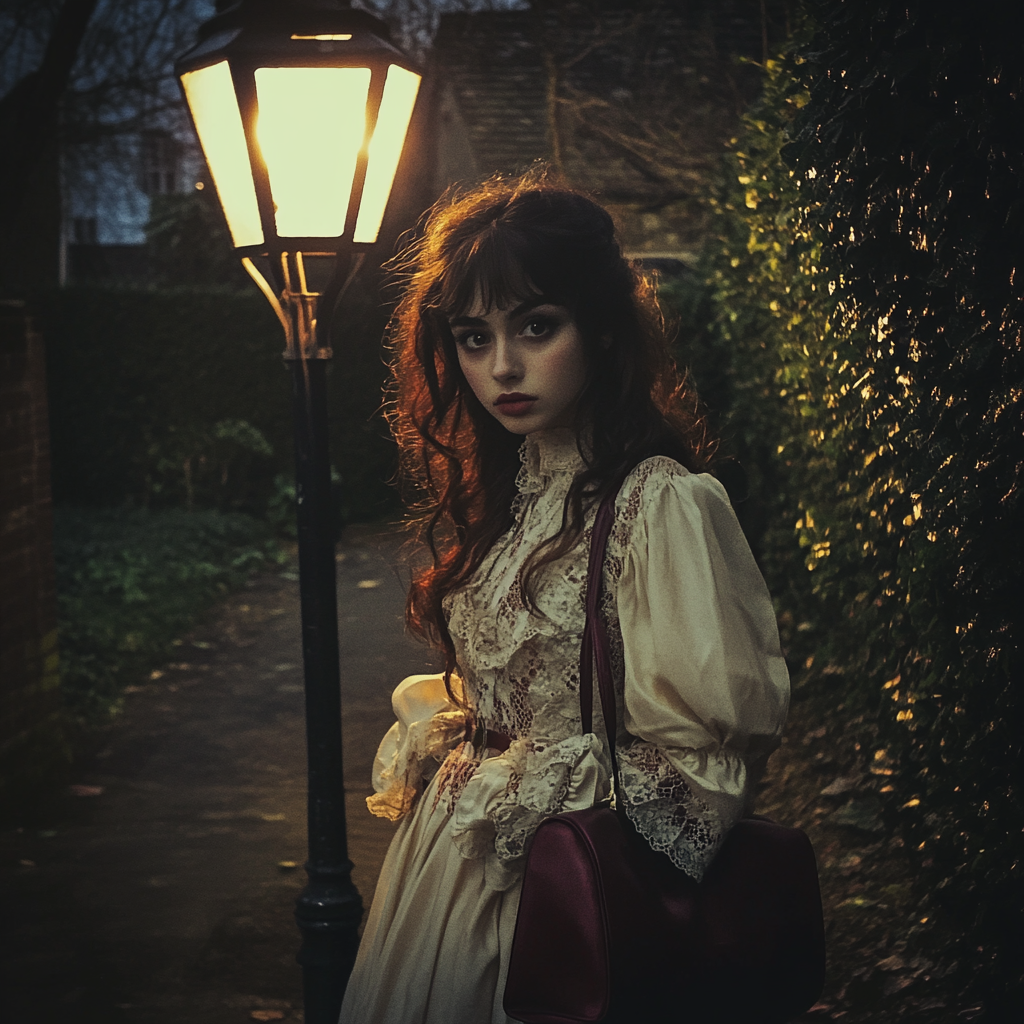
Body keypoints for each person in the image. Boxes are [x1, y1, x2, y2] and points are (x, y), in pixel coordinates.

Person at [338, 173, 790, 1024]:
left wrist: (537, 785)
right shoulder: (514, 496)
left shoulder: (660, 504)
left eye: (536, 327)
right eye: (474, 338)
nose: (502, 366)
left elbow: (709, 758)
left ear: (603, 328)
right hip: (449, 869)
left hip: (561, 881)